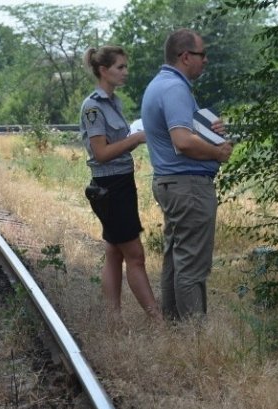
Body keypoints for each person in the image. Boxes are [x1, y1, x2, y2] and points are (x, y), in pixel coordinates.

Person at [141, 29, 233, 321]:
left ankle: (174, 329)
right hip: (188, 186)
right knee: (192, 264)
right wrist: (218, 152)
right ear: (185, 56)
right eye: (201, 54)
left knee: (175, 259)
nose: (205, 60)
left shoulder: (160, 85)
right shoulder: (175, 89)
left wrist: (210, 130)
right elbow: (182, 140)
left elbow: (184, 133)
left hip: (172, 183)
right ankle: (195, 339)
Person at [80, 45, 161, 322]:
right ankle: (158, 321)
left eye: (125, 67)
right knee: (135, 256)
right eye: (120, 67)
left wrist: (130, 139)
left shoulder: (113, 102)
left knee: (115, 252)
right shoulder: (93, 106)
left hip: (121, 183)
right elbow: (101, 153)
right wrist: (135, 139)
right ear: (103, 70)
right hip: (110, 186)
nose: (125, 72)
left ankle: (113, 319)